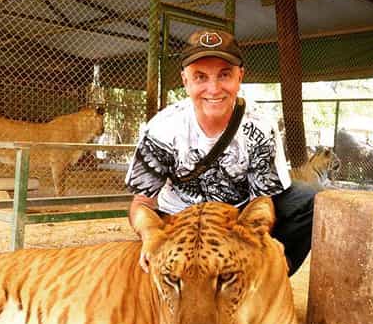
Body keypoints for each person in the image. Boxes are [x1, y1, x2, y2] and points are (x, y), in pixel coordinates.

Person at [126, 29, 320, 275]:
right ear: (185, 81)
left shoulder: (261, 126)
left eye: (224, 75)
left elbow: (262, 201)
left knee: (307, 199)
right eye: (200, 77)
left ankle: (271, 275)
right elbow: (141, 203)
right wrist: (151, 235)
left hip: (234, 218)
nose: (214, 88)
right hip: (178, 219)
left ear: (240, 77)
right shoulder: (161, 129)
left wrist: (253, 237)